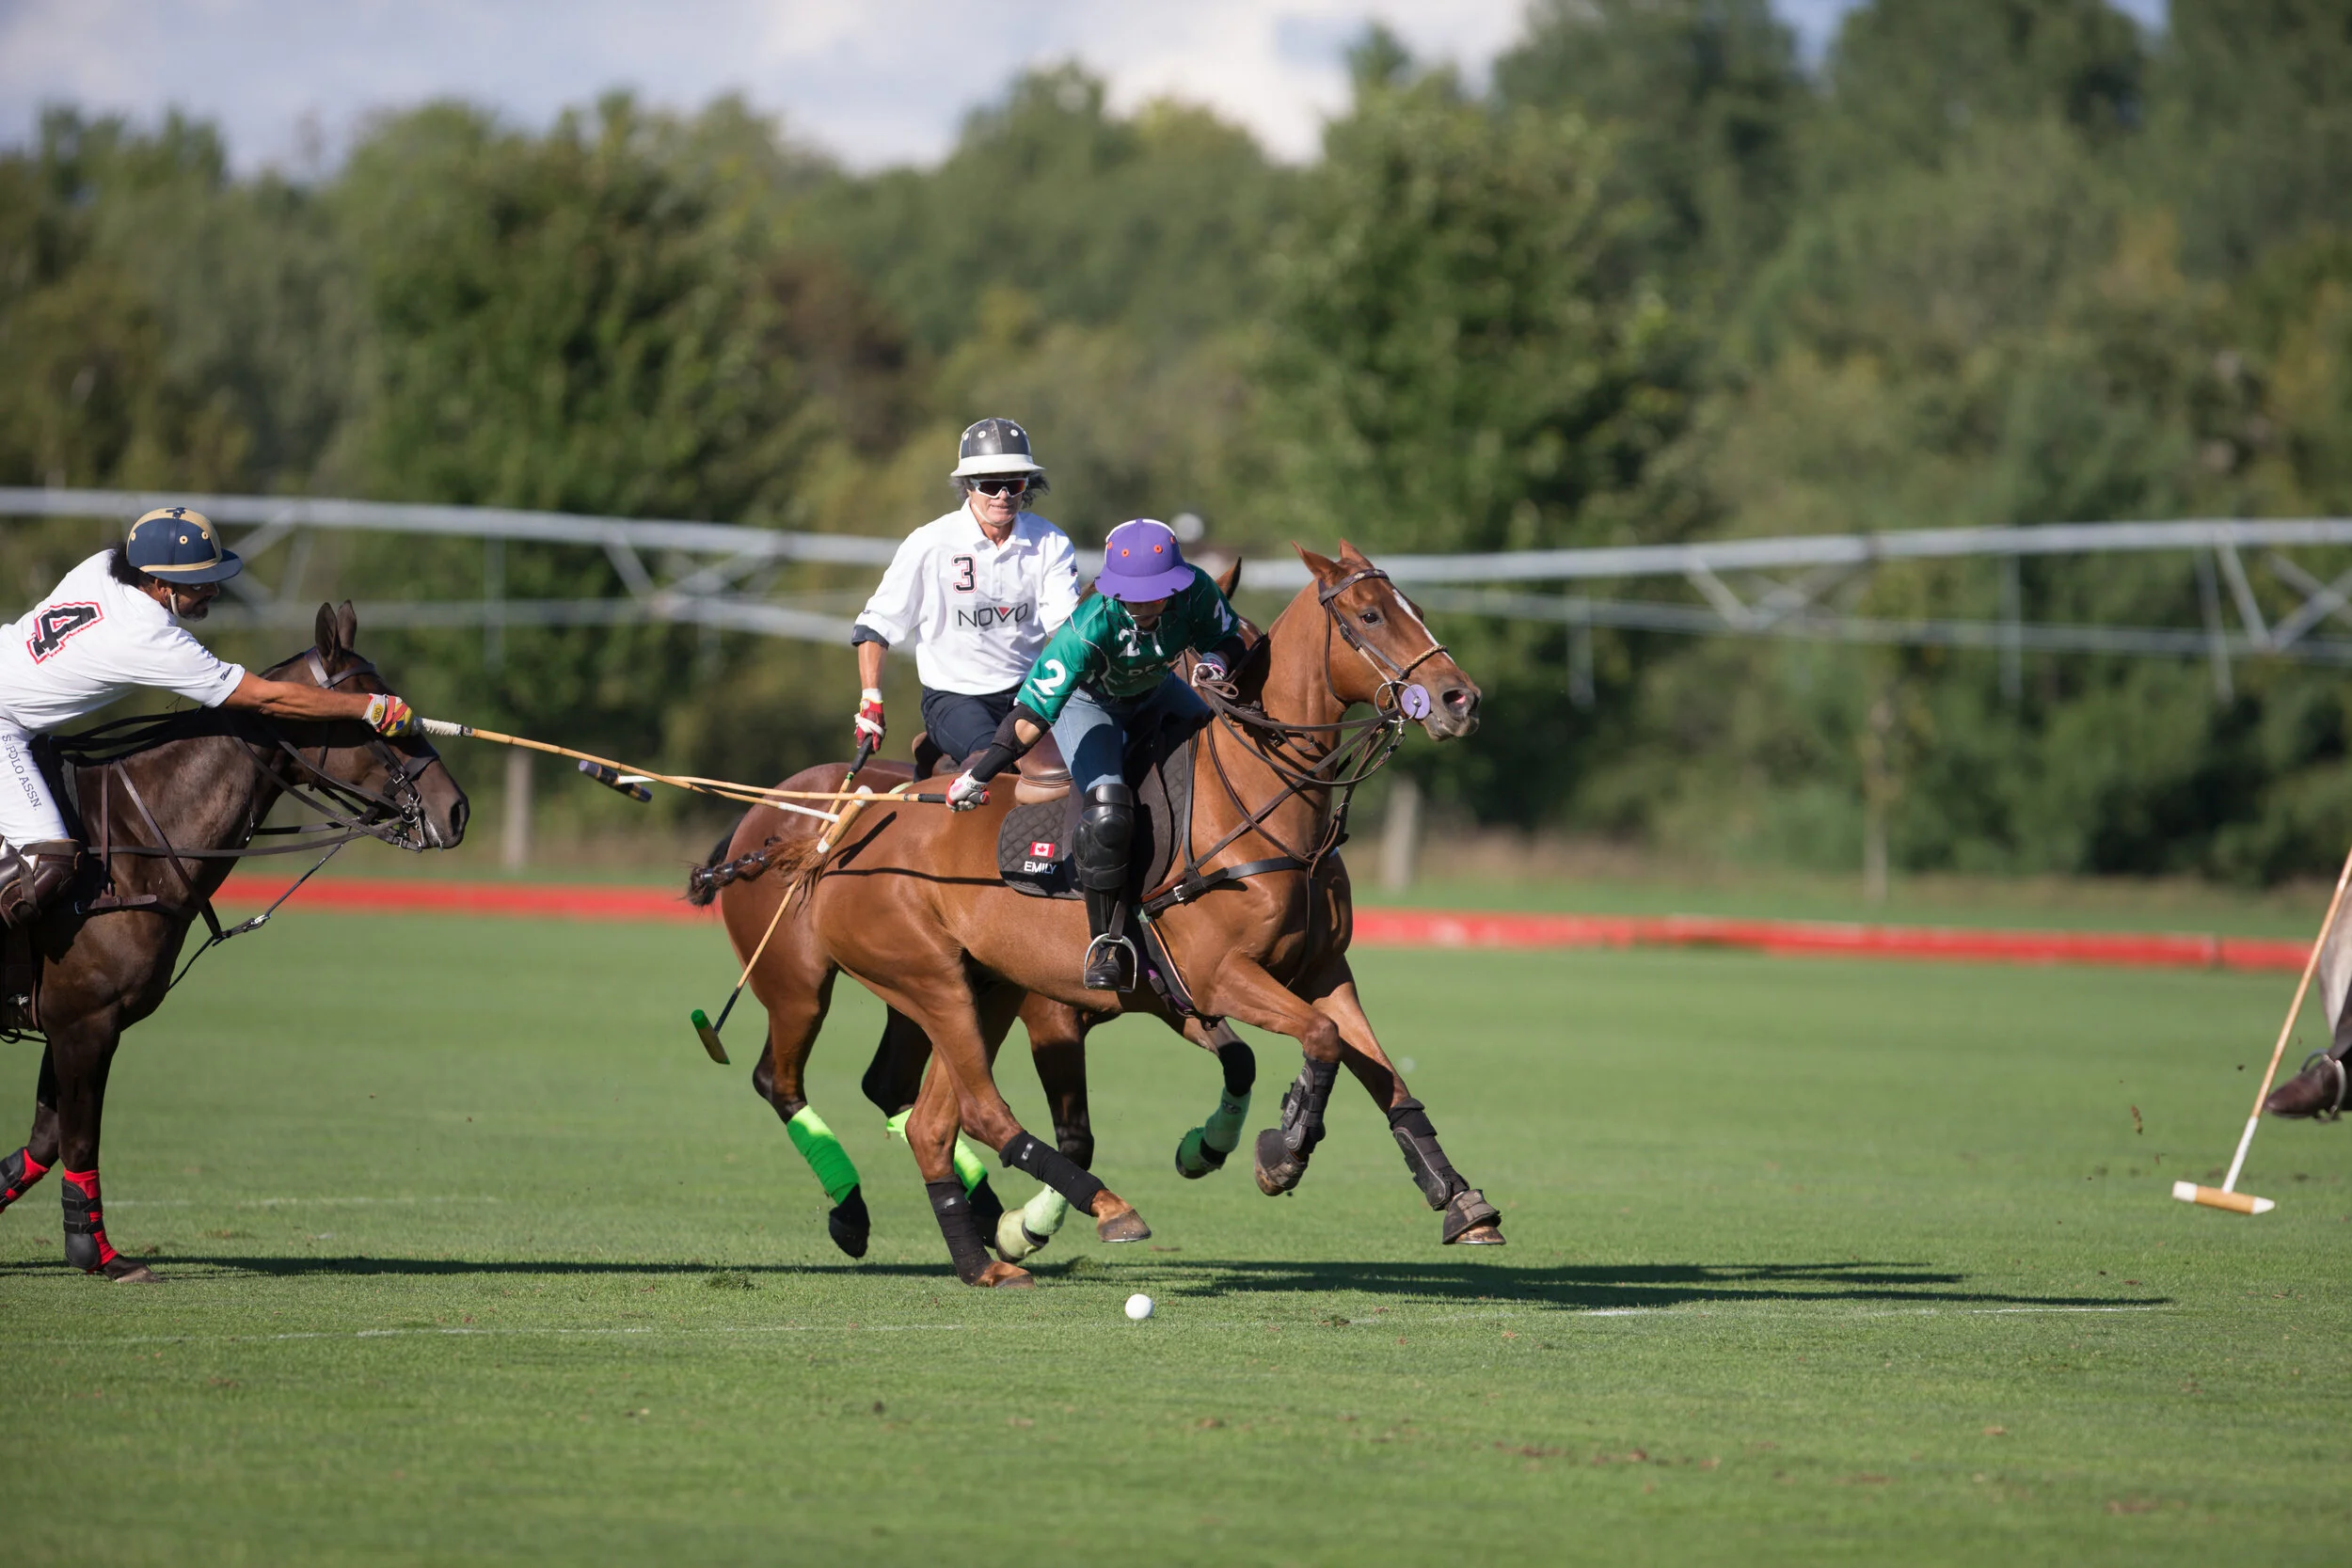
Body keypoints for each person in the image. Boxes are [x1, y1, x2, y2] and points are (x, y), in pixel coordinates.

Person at [0, 505, 421, 928]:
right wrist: (368, 707)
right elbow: (266, 699)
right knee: (48, 863)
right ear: (161, 584)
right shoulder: (148, 637)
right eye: (200, 582)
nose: (214, 591)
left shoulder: (104, 568)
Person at [946, 518, 1248, 990]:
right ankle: (1107, 943)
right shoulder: (1088, 625)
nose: (1146, 603)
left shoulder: (1197, 592)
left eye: (1157, 591)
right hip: (1091, 705)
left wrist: (1215, 661)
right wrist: (980, 775)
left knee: (1228, 752)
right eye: (1134, 593)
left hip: (1156, 690)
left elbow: (1228, 638)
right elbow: (1032, 712)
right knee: (1108, 811)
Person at [848, 419, 1080, 769]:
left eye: (1014, 484)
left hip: (1030, 695)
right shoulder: (929, 543)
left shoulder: (1052, 542)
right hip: (954, 697)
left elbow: (1067, 631)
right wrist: (871, 699)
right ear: (968, 486)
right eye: (990, 485)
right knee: (997, 766)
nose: (1003, 496)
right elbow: (876, 627)